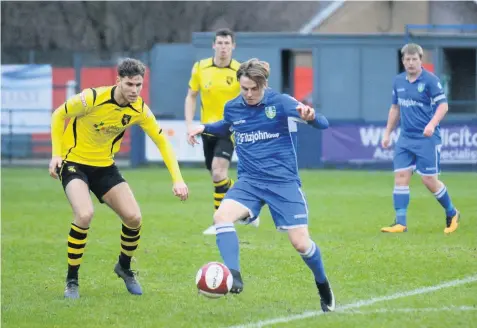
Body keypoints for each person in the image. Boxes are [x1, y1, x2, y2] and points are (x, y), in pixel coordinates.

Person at [187, 59, 335, 312]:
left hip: (283, 183)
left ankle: (322, 284)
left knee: (301, 244)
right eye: (244, 88)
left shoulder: (282, 103)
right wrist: (203, 127)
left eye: (254, 89)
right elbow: (226, 125)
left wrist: (311, 117)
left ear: (263, 85)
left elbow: (323, 123)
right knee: (221, 217)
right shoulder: (233, 107)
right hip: (250, 182)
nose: (249, 94)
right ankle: (233, 274)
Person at [49, 58, 189, 299]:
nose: (134, 90)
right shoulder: (92, 98)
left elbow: (162, 141)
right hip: (74, 164)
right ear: (118, 81)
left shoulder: (139, 110)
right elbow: (59, 114)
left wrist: (177, 179)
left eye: (138, 85)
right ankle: (72, 280)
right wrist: (56, 154)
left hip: (104, 167)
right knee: (84, 214)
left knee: (134, 218)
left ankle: (124, 268)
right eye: (129, 84)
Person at [184, 28, 259, 235]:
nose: (223, 47)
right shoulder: (201, 67)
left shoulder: (240, 71)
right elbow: (191, 95)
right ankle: (248, 205)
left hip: (230, 129)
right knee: (218, 177)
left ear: (233, 46)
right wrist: (189, 124)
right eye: (220, 43)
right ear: (213, 45)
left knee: (218, 172)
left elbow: (250, 98)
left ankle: (221, 223)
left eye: (227, 43)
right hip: (207, 129)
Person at [381, 43, 460, 234]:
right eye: (407, 59)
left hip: (426, 140)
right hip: (405, 138)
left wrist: (432, 124)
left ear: (420, 60)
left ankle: (452, 212)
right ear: (403, 61)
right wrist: (387, 132)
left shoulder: (430, 81)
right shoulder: (398, 82)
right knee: (400, 177)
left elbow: (443, 106)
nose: (410, 63)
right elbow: (395, 108)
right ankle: (401, 223)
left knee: (429, 181)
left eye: (414, 59)